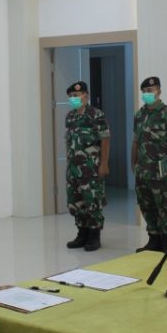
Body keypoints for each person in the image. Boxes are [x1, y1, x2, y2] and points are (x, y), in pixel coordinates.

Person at [131, 76, 167, 253]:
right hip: (143, 171)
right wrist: (133, 164)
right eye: (144, 91)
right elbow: (135, 142)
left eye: (150, 91)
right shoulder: (139, 115)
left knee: (164, 207)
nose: (147, 94)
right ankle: (153, 240)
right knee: (146, 205)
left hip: (161, 171)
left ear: (159, 91)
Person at [63, 80, 110, 252]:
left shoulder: (96, 115)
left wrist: (104, 164)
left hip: (91, 168)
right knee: (76, 201)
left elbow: (105, 140)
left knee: (92, 201)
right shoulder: (70, 117)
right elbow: (69, 143)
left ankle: (94, 236)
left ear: (86, 96)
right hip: (73, 169)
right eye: (71, 96)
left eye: (76, 95)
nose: (73, 98)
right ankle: (81, 234)